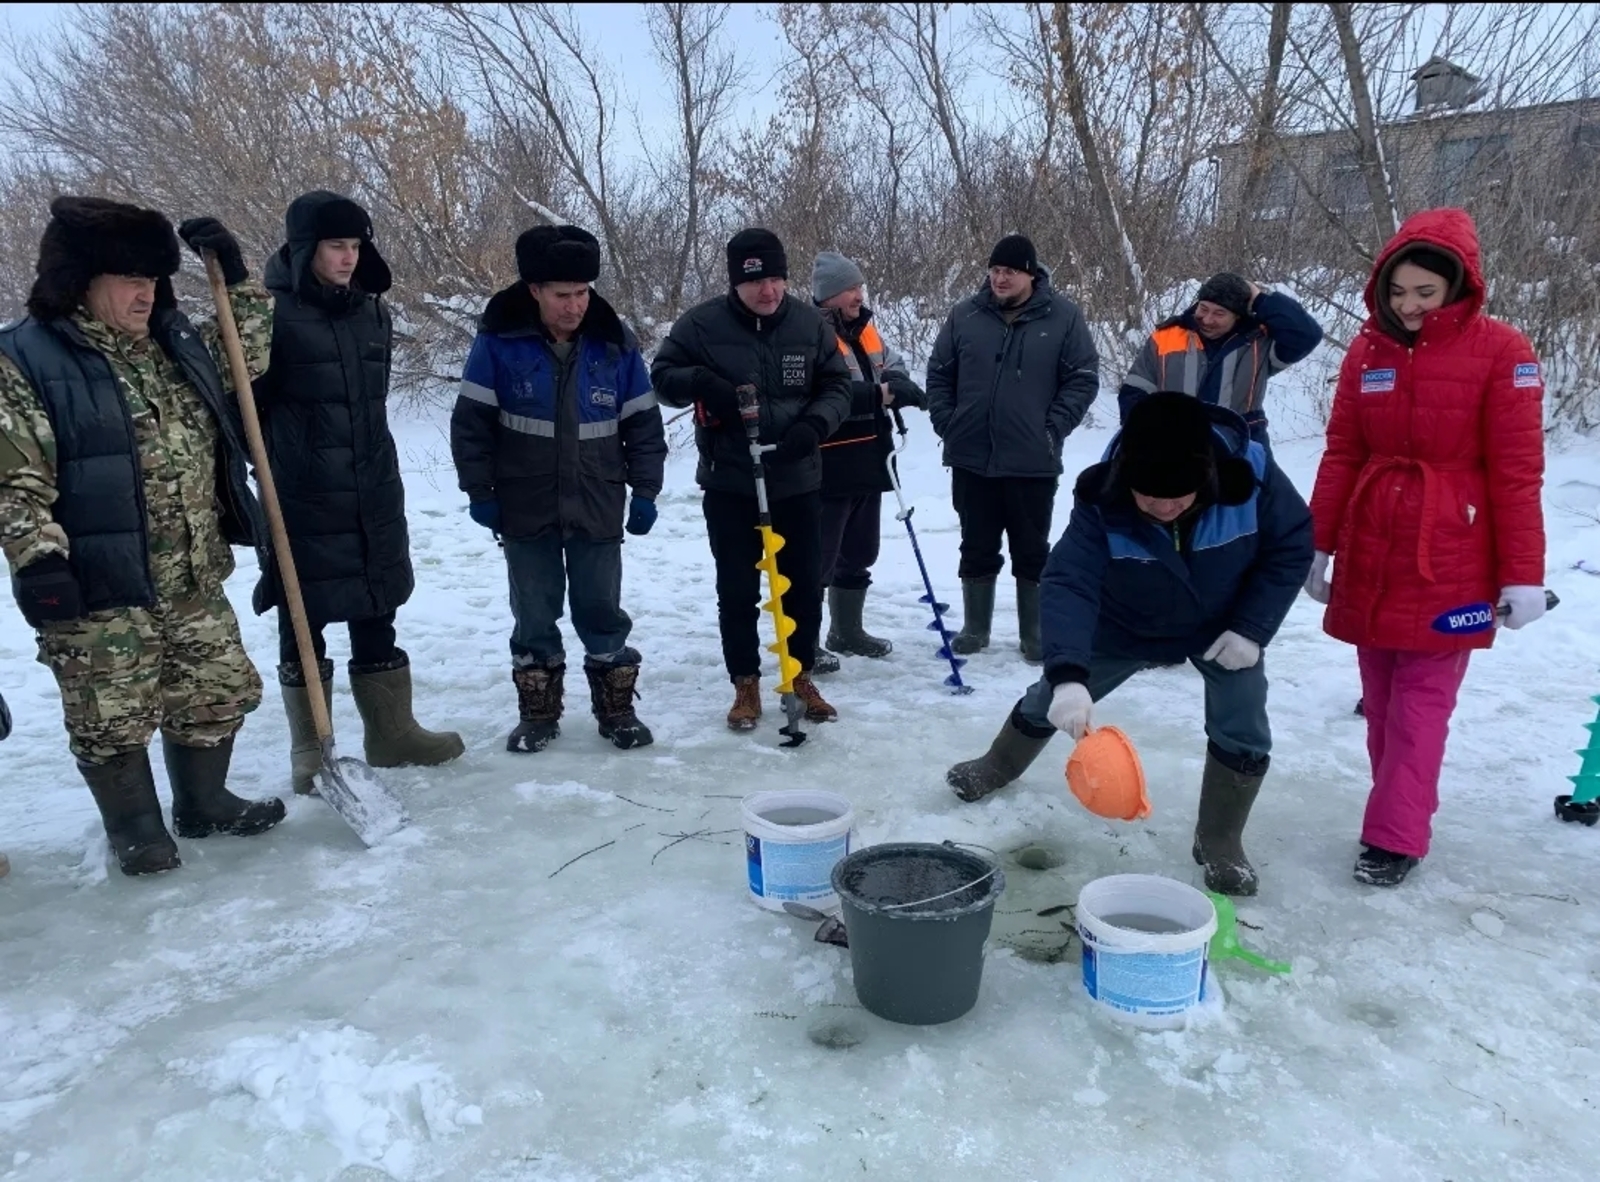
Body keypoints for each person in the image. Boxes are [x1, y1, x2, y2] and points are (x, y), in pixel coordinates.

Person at [0, 196, 285, 876]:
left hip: (190, 570)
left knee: (215, 690)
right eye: (130, 280)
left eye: (154, 281)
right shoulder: (25, 359)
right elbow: (16, 478)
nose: (145, 294)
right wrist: (38, 560)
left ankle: (204, 803)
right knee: (111, 715)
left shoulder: (169, 342)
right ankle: (135, 830)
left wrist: (238, 277)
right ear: (80, 282)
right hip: (100, 580)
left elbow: (246, 362)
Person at [945, 392, 1313, 897]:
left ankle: (1220, 838)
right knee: (1050, 697)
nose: (1163, 508)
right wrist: (1069, 676)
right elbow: (1068, 583)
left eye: (1177, 496)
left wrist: (1253, 628)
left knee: (1244, 718)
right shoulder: (1104, 499)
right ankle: (999, 763)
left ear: (1205, 477)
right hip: (1126, 623)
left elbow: (1291, 545)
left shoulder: (1252, 476)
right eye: (1149, 497)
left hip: (1224, 626)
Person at [1306, 207, 1547, 888]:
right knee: (1380, 702)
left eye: (1425, 293)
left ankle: (1395, 836)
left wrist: (1522, 575)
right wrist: (1317, 544)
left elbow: (1517, 472)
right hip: (1374, 546)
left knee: (1420, 706)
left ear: (1458, 288)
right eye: (1398, 292)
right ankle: (1397, 813)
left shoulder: (1504, 352)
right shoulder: (1366, 352)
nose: (1409, 306)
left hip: (1453, 556)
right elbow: (1343, 451)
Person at [256, 190, 463, 794]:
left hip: (372, 483)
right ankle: (310, 746)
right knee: (304, 616)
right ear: (304, 249)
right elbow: (238, 401)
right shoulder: (270, 314)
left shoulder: (373, 312)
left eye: (355, 245)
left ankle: (391, 733)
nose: (348, 258)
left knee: (377, 605)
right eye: (335, 246)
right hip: (300, 490)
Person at [452, 223, 666, 753]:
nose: (575, 306)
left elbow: (642, 424)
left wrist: (645, 491)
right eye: (562, 295)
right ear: (534, 292)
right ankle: (538, 714)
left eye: (582, 293)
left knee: (600, 608)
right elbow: (471, 425)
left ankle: (616, 710)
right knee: (534, 611)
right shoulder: (498, 344)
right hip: (524, 505)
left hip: (597, 500)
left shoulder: (616, 345)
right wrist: (479, 491)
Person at [651, 228, 852, 730]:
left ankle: (799, 672)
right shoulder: (701, 325)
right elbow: (662, 378)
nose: (769, 292)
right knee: (737, 587)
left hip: (798, 479)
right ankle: (745, 681)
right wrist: (700, 383)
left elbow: (837, 385)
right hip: (730, 481)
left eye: (778, 279)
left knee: (804, 583)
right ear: (736, 283)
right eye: (757, 282)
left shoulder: (809, 324)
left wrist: (814, 426)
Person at [925, 233, 1100, 664]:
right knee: (976, 544)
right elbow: (939, 374)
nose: (1001, 278)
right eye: (996, 270)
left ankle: (1035, 634)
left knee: (1031, 547)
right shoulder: (965, 315)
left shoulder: (1063, 317)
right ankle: (975, 629)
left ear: (1030, 274)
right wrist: (949, 423)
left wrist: (1053, 427)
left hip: (1032, 459)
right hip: (972, 456)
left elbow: (1083, 377)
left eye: (1011, 271)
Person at [808, 251, 926, 671]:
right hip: (830, 461)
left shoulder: (866, 330)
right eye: (851, 288)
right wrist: (881, 395)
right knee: (819, 556)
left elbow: (889, 363)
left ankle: (846, 630)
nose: (859, 294)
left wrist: (897, 380)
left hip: (872, 454)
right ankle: (806, 641)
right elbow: (824, 394)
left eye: (859, 287)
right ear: (828, 295)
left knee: (860, 550)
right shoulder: (808, 334)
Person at [1118, 271, 1323, 450]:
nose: (1207, 319)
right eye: (1203, 308)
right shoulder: (1166, 337)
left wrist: (1260, 300)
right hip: (1175, 445)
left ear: (1237, 316)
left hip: (1242, 445)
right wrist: (1146, 434)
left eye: (1219, 313)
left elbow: (1307, 334)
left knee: (1270, 495)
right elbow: (1134, 392)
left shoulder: (1259, 342)